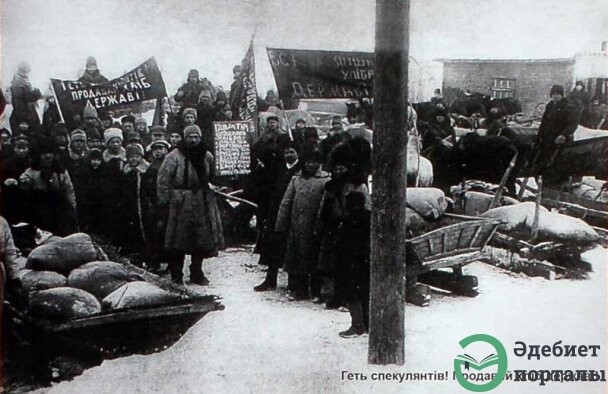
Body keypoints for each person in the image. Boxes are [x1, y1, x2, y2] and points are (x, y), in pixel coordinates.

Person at [157, 125, 224, 284]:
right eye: (190, 137)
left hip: (201, 201)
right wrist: (164, 203)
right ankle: (177, 274)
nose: (193, 140)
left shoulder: (206, 156)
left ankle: (196, 272)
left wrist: (214, 185)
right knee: (177, 241)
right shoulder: (174, 156)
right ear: (184, 138)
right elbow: (163, 181)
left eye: (196, 137)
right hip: (179, 202)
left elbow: (213, 176)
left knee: (200, 240)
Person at [316, 142, 371, 309]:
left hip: (352, 230)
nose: (338, 172)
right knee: (332, 264)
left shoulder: (358, 186)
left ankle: (348, 298)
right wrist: (320, 226)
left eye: (342, 169)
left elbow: (367, 207)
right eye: (336, 169)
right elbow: (323, 207)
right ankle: (335, 295)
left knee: (349, 265)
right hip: (333, 228)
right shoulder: (330, 186)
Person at [275, 146, 329, 301]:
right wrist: (281, 223)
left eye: (315, 163)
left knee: (314, 259)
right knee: (296, 259)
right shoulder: (296, 180)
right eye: (308, 162)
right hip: (297, 226)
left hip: (315, 227)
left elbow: (326, 205)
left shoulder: (325, 180)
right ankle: (300, 289)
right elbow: (286, 202)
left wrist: (321, 224)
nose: (311, 166)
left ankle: (316, 291)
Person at [253, 136, 302, 291]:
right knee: (273, 246)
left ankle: (293, 283)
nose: (288, 155)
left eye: (292, 152)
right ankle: (270, 279)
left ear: (298, 154)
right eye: (286, 152)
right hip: (277, 211)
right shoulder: (280, 168)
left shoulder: (300, 170)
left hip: (293, 212)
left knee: (292, 248)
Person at [19, 138, 77, 236]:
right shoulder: (32, 171)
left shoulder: (60, 171)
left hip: (58, 209)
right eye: (44, 153)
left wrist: (73, 208)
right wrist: (24, 183)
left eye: (50, 153)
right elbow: (23, 185)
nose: (48, 156)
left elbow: (69, 190)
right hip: (38, 209)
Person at [336, 190, 371, 338]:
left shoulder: (349, 221)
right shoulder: (369, 218)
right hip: (365, 262)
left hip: (351, 262)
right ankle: (367, 324)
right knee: (364, 294)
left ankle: (357, 326)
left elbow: (344, 244)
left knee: (352, 296)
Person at [119, 144, 158, 262]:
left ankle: (151, 258)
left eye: (136, 156)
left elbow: (152, 190)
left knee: (148, 231)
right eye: (131, 157)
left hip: (145, 206)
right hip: (131, 206)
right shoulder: (125, 171)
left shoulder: (148, 170)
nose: (133, 159)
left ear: (141, 157)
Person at [535, 84, 580, 183]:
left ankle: (560, 183)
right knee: (546, 161)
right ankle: (545, 182)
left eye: (557, 94)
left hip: (561, 140)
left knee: (559, 161)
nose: (555, 96)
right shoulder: (550, 106)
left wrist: (564, 134)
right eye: (553, 94)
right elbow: (544, 122)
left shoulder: (569, 107)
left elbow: (572, 124)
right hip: (548, 139)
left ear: (562, 95)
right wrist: (540, 136)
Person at [1, 134, 31, 224]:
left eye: (24, 148)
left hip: (29, 198)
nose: (22, 151)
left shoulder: (32, 163)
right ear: (13, 149)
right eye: (19, 148)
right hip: (13, 200)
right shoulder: (6, 164)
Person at [77, 149, 105, 234]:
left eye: (98, 160)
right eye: (93, 160)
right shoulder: (84, 172)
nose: (95, 162)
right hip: (87, 205)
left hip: (99, 205)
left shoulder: (103, 173)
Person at [9, 62, 42, 133]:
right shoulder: (18, 82)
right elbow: (24, 97)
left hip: (26, 110)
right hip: (24, 112)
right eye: (25, 71)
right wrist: (36, 93)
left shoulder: (23, 81)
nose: (26, 74)